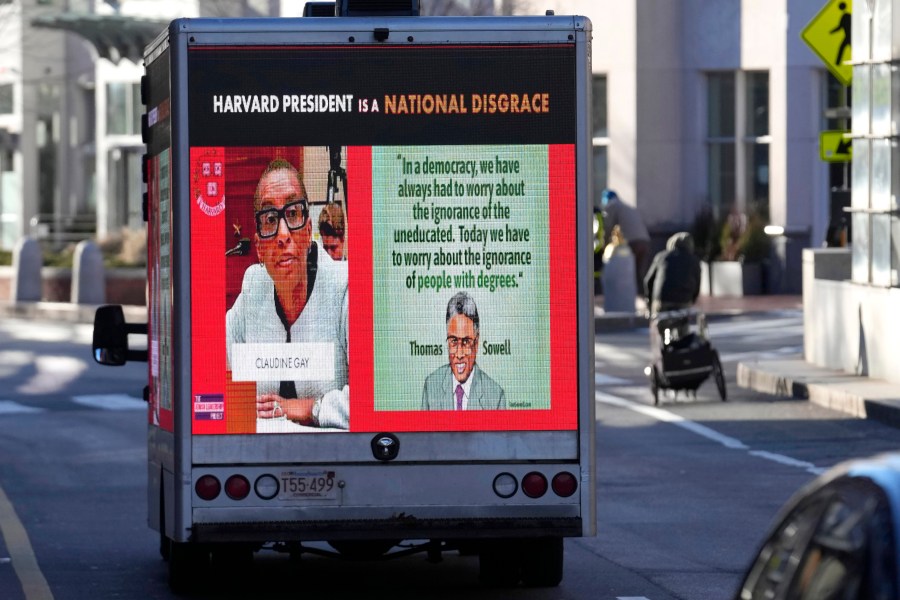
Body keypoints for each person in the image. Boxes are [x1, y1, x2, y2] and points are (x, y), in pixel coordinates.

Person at [226, 157, 349, 430]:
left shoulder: (344, 288)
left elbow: (373, 399)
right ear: (258, 246)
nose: (283, 234)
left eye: (292, 214)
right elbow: (209, 374)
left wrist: (312, 408)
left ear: (308, 230)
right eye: (270, 219)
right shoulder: (252, 289)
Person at [421, 291, 506, 410]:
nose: (459, 354)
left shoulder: (496, 397)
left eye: (466, 342)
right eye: (453, 341)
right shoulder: (430, 388)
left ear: (476, 344)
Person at [601, 189, 651, 292]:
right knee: (639, 271)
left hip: (632, 242)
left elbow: (608, 227)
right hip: (645, 241)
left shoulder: (612, 206)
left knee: (628, 272)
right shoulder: (627, 207)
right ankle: (642, 295)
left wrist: (604, 244)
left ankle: (629, 296)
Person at [643, 231, 701, 316]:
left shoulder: (661, 256)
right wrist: (692, 299)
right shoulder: (694, 260)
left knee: (661, 323)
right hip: (684, 301)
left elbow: (648, 281)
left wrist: (649, 301)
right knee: (683, 324)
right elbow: (697, 283)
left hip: (662, 300)